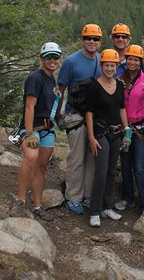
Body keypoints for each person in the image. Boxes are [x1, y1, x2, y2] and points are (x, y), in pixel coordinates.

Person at [10, 42, 62, 221]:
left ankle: (38, 206)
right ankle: (21, 200)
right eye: (49, 57)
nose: (52, 60)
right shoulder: (36, 78)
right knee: (31, 158)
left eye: (55, 57)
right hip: (33, 127)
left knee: (41, 166)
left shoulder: (51, 79)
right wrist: (30, 133)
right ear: (42, 59)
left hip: (47, 128)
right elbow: (29, 106)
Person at [57, 23, 103, 214]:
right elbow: (61, 90)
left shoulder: (102, 60)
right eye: (88, 38)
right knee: (76, 158)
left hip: (95, 117)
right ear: (82, 40)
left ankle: (87, 196)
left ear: (100, 42)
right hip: (75, 116)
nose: (92, 42)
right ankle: (73, 197)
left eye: (95, 39)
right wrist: (57, 115)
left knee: (92, 158)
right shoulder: (71, 62)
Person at [114, 44, 144, 217]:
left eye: (136, 59)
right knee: (125, 165)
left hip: (140, 129)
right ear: (126, 60)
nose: (132, 62)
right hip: (124, 128)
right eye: (130, 59)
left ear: (140, 62)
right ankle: (127, 198)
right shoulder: (120, 79)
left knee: (140, 167)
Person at [86, 49, 131, 228]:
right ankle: (95, 211)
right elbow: (88, 113)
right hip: (100, 134)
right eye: (107, 65)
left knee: (112, 171)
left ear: (117, 66)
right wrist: (91, 137)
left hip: (116, 134)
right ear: (101, 66)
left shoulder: (119, 85)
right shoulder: (94, 86)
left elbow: (121, 108)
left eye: (113, 65)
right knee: (101, 172)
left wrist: (126, 129)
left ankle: (107, 207)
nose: (110, 68)